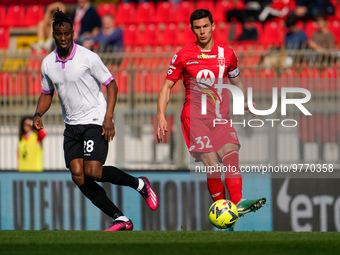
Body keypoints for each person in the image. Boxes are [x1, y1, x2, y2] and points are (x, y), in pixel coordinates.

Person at [33, 9, 158, 231]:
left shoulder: (88, 57)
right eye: (59, 34)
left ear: (73, 33)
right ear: (53, 34)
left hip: (94, 120)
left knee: (92, 171)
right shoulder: (47, 63)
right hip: (71, 126)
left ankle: (139, 184)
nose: (63, 38)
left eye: (67, 34)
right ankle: (120, 218)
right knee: (78, 176)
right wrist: (38, 114)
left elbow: (111, 84)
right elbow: (47, 93)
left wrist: (108, 117)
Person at [156, 9, 266, 216]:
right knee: (213, 165)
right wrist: (161, 115)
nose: (202, 31)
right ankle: (223, 213)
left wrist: (243, 101)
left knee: (232, 156)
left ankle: (239, 202)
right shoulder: (183, 56)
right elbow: (166, 88)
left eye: (206, 26)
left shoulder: (228, 54)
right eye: (197, 28)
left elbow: (237, 81)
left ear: (213, 26)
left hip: (220, 117)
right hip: (195, 117)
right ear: (192, 30)